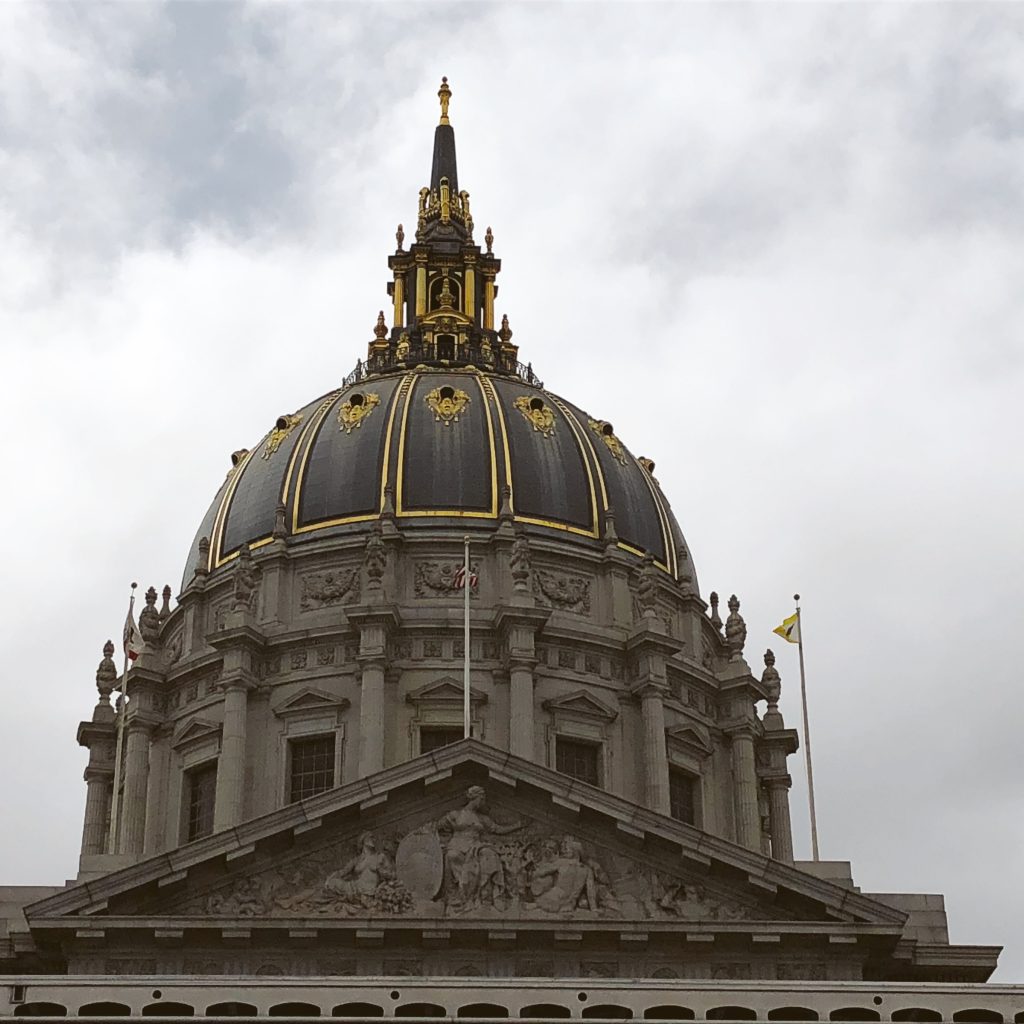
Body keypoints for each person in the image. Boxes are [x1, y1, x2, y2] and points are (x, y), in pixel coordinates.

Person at [438, 786, 521, 909]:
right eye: (481, 799)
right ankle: (459, 894)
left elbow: (498, 829)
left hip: (475, 846)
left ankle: (488, 895)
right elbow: (437, 826)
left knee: (489, 854)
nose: (483, 802)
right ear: (474, 798)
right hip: (457, 845)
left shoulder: (482, 818)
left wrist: (518, 825)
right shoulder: (455, 815)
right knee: (452, 855)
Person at [324, 832, 393, 904]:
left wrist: (382, 871)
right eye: (371, 837)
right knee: (333, 882)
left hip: (369, 891)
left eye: (374, 838)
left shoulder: (380, 856)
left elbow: (392, 874)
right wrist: (330, 878)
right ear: (364, 841)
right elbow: (343, 872)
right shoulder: (357, 860)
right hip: (354, 889)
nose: (374, 839)